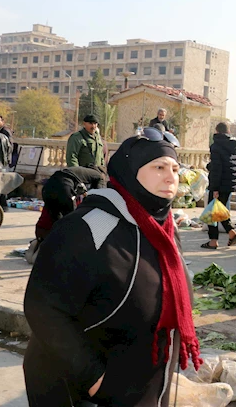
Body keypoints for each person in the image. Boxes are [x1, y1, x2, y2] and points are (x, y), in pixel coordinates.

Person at [23, 133, 201, 405]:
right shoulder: (89, 226)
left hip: (143, 384)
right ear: (130, 173)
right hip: (81, 391)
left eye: (175, 169)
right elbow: (43, 307)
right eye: (159, 167)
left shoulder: (163, 229)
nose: (171, 177)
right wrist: (93, 378)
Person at [34, 166, 108, 242]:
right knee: (72, 221)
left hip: (47, 189)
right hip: (63, 188)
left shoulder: (77, 173)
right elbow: (100, 195)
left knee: (57, 223)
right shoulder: (98, 176)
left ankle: (51, 245)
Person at [202, 122, 236, 249]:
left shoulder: (217, 146)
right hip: (230, 183)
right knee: (219, 210)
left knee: (212, 212)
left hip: (219, 184)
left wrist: (214, 188)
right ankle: (231, 233)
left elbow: (217, 168)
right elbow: (233, 165)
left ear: (217, 131)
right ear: (228, 131)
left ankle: (214, 240)